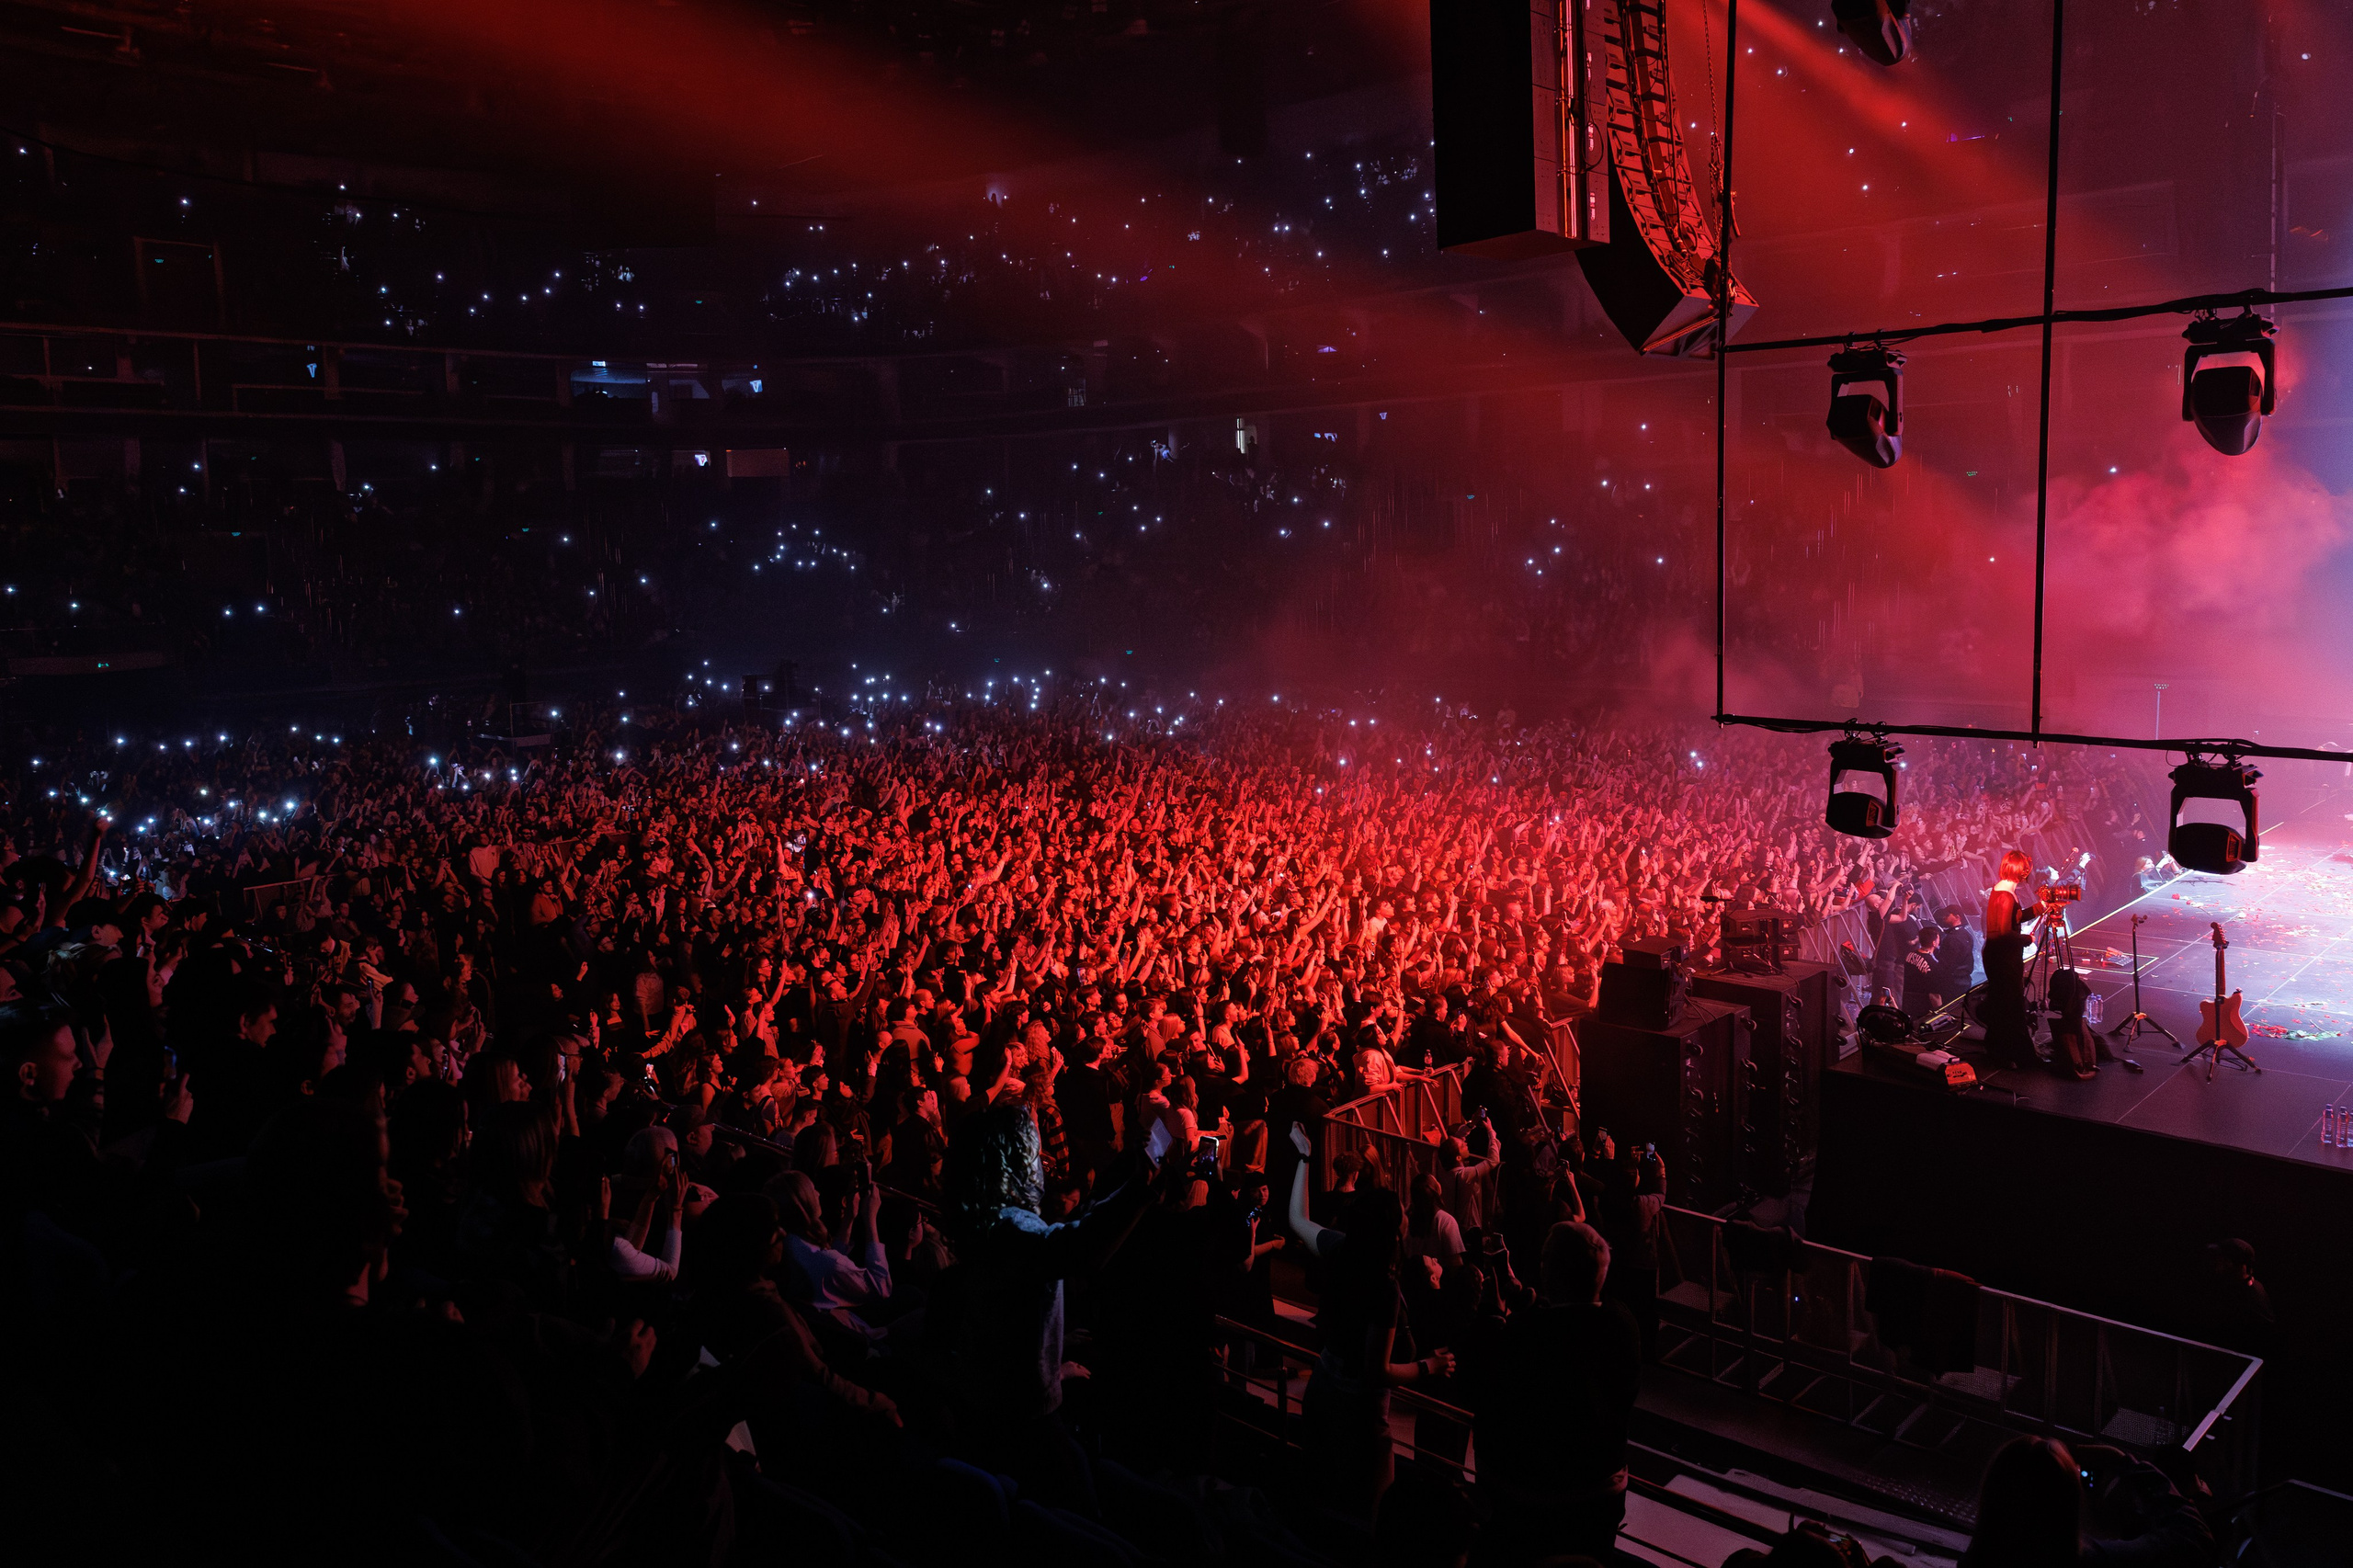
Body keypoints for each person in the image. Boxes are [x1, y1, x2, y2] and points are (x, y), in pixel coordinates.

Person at [1285, 1121, 1456, 1518]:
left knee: (1320, 1498)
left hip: (1323, 1390)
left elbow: (1295, 1218)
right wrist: (1430, 1366)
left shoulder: (1342, 1247)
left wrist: (1305, 1157)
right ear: (1392, 1230)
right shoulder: (1384, 1289)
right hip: (1360, 1416)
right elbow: (1376, 1372)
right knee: (1369, 1514)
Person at [1466, 1220, 1641, 1565]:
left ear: (1550, 1273)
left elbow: (1481, 1382)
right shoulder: (1623, 1323)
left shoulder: (1523, 1335)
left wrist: (1490, 1312)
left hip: (1530, 1498)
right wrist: (1522, 1294)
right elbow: (1567, 1330)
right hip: (1600, 1495)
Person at [1959, 1436, 2213, 1568]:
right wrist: (2123, 1461)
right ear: (2066, 1501)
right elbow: (2192, 1538)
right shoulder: (2094, 1562)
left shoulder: (1975, 1563)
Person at [1982, 851, 2053, 1069]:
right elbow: (2001, 933)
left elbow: (2016, 917)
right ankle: (2017, 1054)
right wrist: (2026, 939)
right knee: (2010, 1005)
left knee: (2005, 1004)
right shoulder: (2004, 895)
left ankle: (2001, 1051)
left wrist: (2041, 906)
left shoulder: (2003, 891)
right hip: (2002, 959)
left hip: (2001, 957)